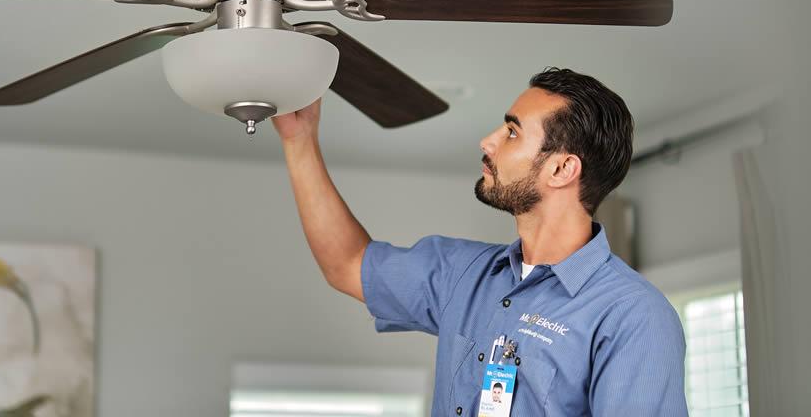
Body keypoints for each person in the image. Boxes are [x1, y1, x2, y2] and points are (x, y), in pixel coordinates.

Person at [273, 67, 687, 416]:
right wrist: (299, 139)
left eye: (511, 132)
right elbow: (347, 264)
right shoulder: (463, 276)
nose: (487, 141)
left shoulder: (634, 316)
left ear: (562, 168)